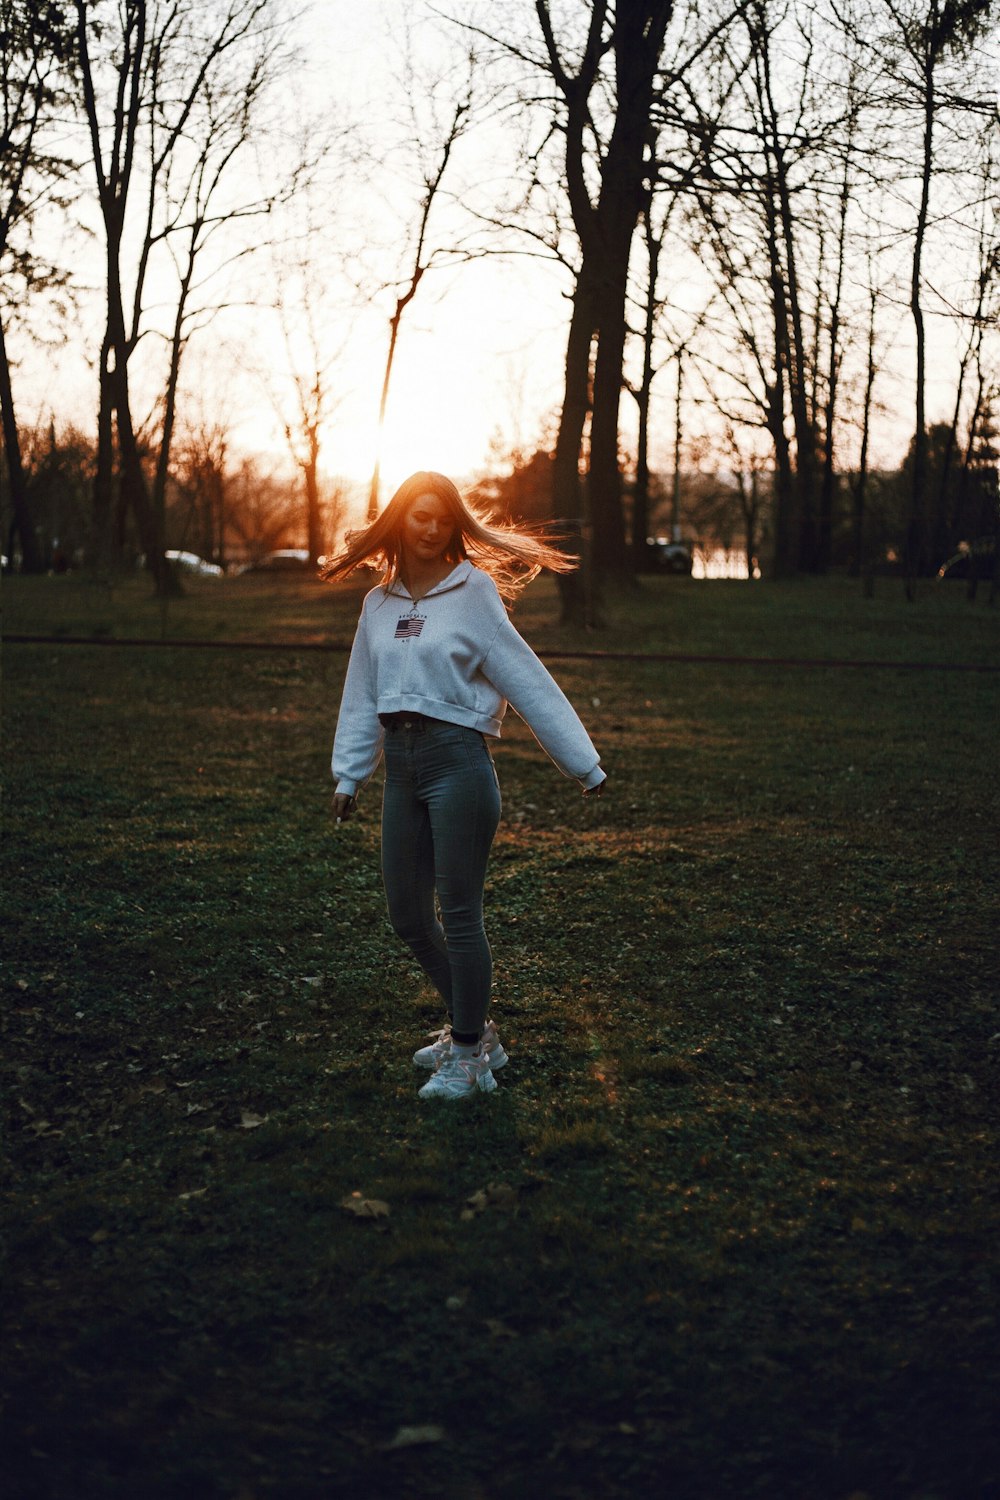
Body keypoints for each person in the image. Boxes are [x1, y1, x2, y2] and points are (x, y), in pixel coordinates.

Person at [326, 471, 606, 1101]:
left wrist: (581, 762)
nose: (431, 528)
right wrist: (350, 774)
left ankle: (469, 1051)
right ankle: (476, 1032)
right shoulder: (378, 604)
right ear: (399, 521)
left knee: (457, 915)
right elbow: (362, 694)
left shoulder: (473, 592)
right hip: (401, 770)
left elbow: (525, 676)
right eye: (419, 516)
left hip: (459, 766)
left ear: (456, 526)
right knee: (406, 915)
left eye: (443, 519)